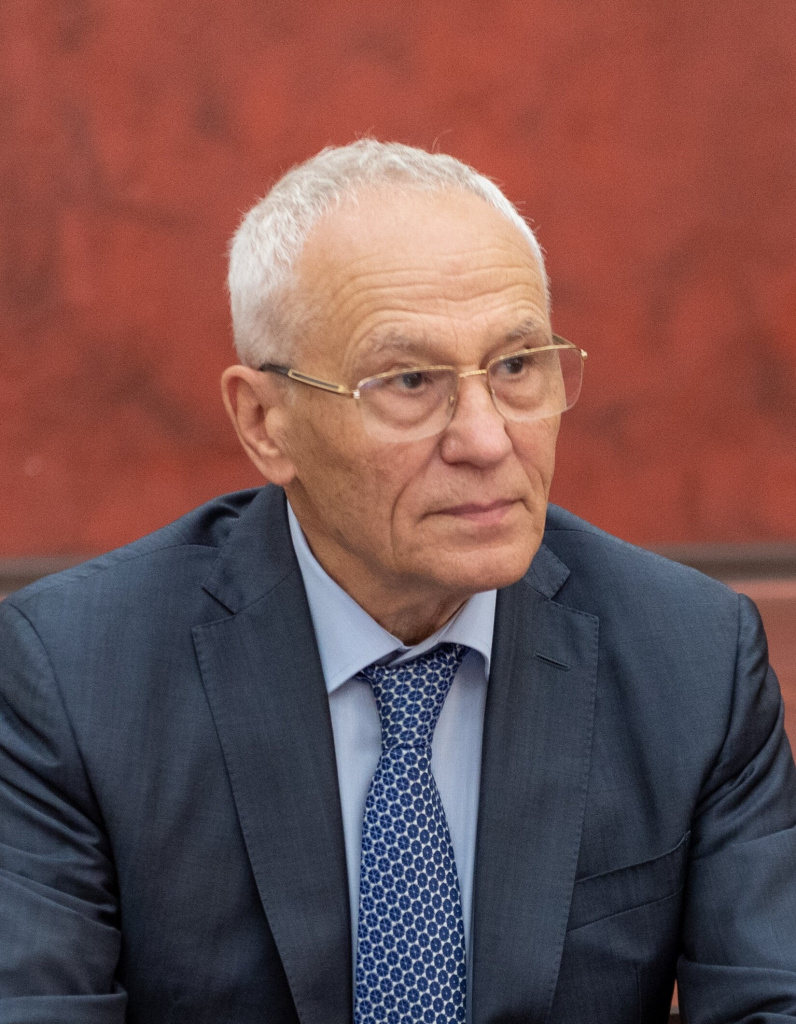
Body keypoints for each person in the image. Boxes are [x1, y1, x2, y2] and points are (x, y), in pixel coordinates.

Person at [1, 141, 795, 1024]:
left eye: (517, 366)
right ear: (264, 422)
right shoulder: (74, 680)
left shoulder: (694, 662)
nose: (487, 440)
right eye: (410, 381)